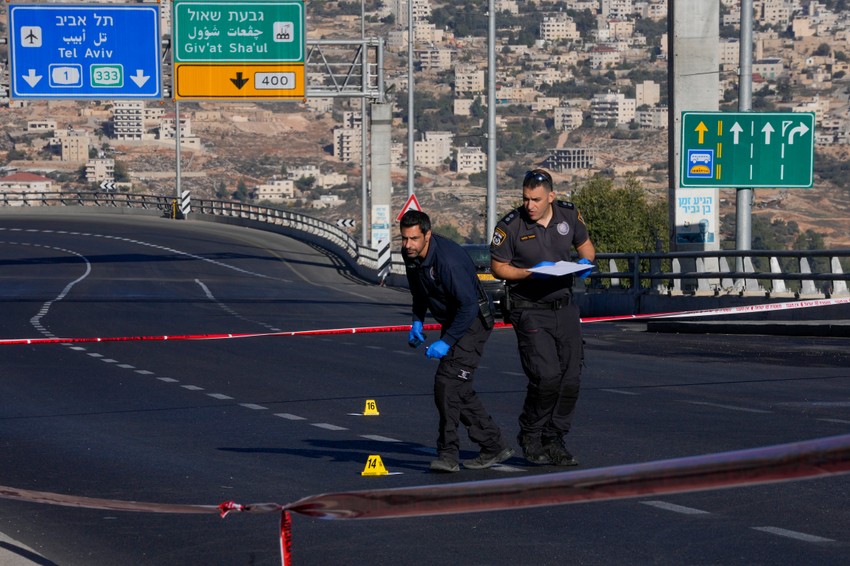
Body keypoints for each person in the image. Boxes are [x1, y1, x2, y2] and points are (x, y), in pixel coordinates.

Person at [490, 168, 595, 466]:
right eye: (525, 199)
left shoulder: (568, 215)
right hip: (529, 308)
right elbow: (498, 268)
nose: (530, 205)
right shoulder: (510, 226)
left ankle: (555, 438)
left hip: (564, 306)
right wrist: (529, 272)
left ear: (551, 196)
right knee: (546, 377)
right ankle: (531, 434)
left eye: (536, 199)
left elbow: (587, 249)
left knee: (571, 378)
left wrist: (585, 263)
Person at [400, 210, 514, 473]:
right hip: (453, 321)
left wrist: (447, 342)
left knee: (447, 384)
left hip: (472, 322)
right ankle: (494, 445)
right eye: (404, 239)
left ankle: (448, 454)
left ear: (427, 235)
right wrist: (417, 319)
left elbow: (469, 306)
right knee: (458, 389)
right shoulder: (412, 256)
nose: (408, 245)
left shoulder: (448, 261)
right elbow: (419, 292)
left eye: (414, 239)